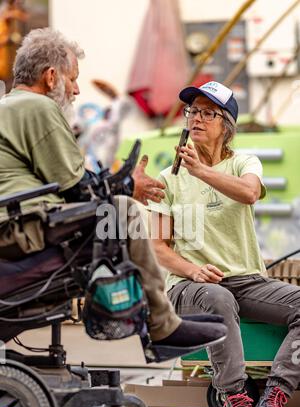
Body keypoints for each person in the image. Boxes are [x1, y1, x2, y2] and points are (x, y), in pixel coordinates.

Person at [0, 29, 227, 352]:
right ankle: (161, 326)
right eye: (73, 78)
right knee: (123, 209)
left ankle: (151, 318)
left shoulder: (10, 106)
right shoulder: (38, 108)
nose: (77, 90)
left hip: (16, 221)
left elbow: (69, 182)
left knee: (116, 205)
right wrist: (127, 186)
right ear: (51, 77)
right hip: (23, 228)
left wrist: (118, 182)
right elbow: (77, 191)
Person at [149, 80, 300, 407]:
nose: (196, 118)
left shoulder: (244, 162)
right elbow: (156, 246)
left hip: (245, 279)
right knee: (219, 297)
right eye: (192, 111)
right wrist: (192, 270)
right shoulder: (168, 179)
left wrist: (202, 171)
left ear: (226, 124)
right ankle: (234, 397)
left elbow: (249, 193)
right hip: (189, 285)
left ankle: (274, 395)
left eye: (207, 112)